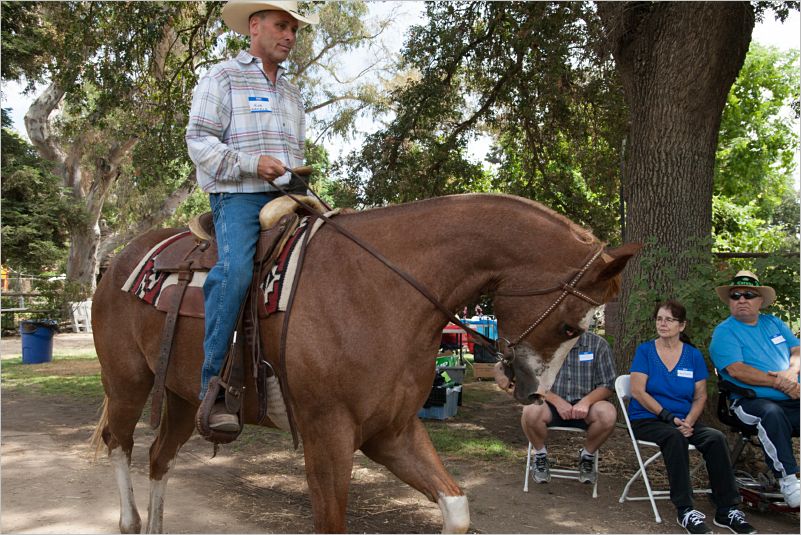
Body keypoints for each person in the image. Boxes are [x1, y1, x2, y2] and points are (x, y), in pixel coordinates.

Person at [185, 0, 318, 432]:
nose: (290, 37)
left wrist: (295, 179)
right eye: (282, 26)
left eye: (294, 30)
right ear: (254, 26)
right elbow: (198, 140)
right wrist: (250, 163)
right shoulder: (222, 76)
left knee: (343, 245)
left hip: (290, 193)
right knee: (237, 271)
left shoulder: (293, 92)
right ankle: (214, 387)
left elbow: (293, 154)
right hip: (238, 196)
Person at [628, 300, 755, 535]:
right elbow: (637, 391)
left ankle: (726, 509)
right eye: (659, 319)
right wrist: (667, 416)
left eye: (669, 319)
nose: (663, 323)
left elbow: (700, 397)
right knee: (674, 438)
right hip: (648, 418)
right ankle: (685, 510)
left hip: (684, 420)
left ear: (682, 325)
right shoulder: (645, 351)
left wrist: (689, 421)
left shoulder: (693, 355)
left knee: (716, 438)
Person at [710, 270, 800, 508]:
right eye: (735, 295)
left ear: (760, 301)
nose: (741, 299)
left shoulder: (774, 323)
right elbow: (738, 370)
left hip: (792, 396)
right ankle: (788, 481)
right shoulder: (724, 332)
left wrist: (791, 373)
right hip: (748, 402)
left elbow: (797, 351)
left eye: (748, 294)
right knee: (771, 413)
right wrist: (780, 383)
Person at [521, 331, 617, 486]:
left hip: (587, 407)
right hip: (550, 403)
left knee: (608, 413)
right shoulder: (543, 344)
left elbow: (607, 385)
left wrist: (586, 402)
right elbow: (532, 381)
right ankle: (540, 455)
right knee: (530, 410)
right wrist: (557, 401)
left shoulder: (599, 344)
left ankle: (587, 455)